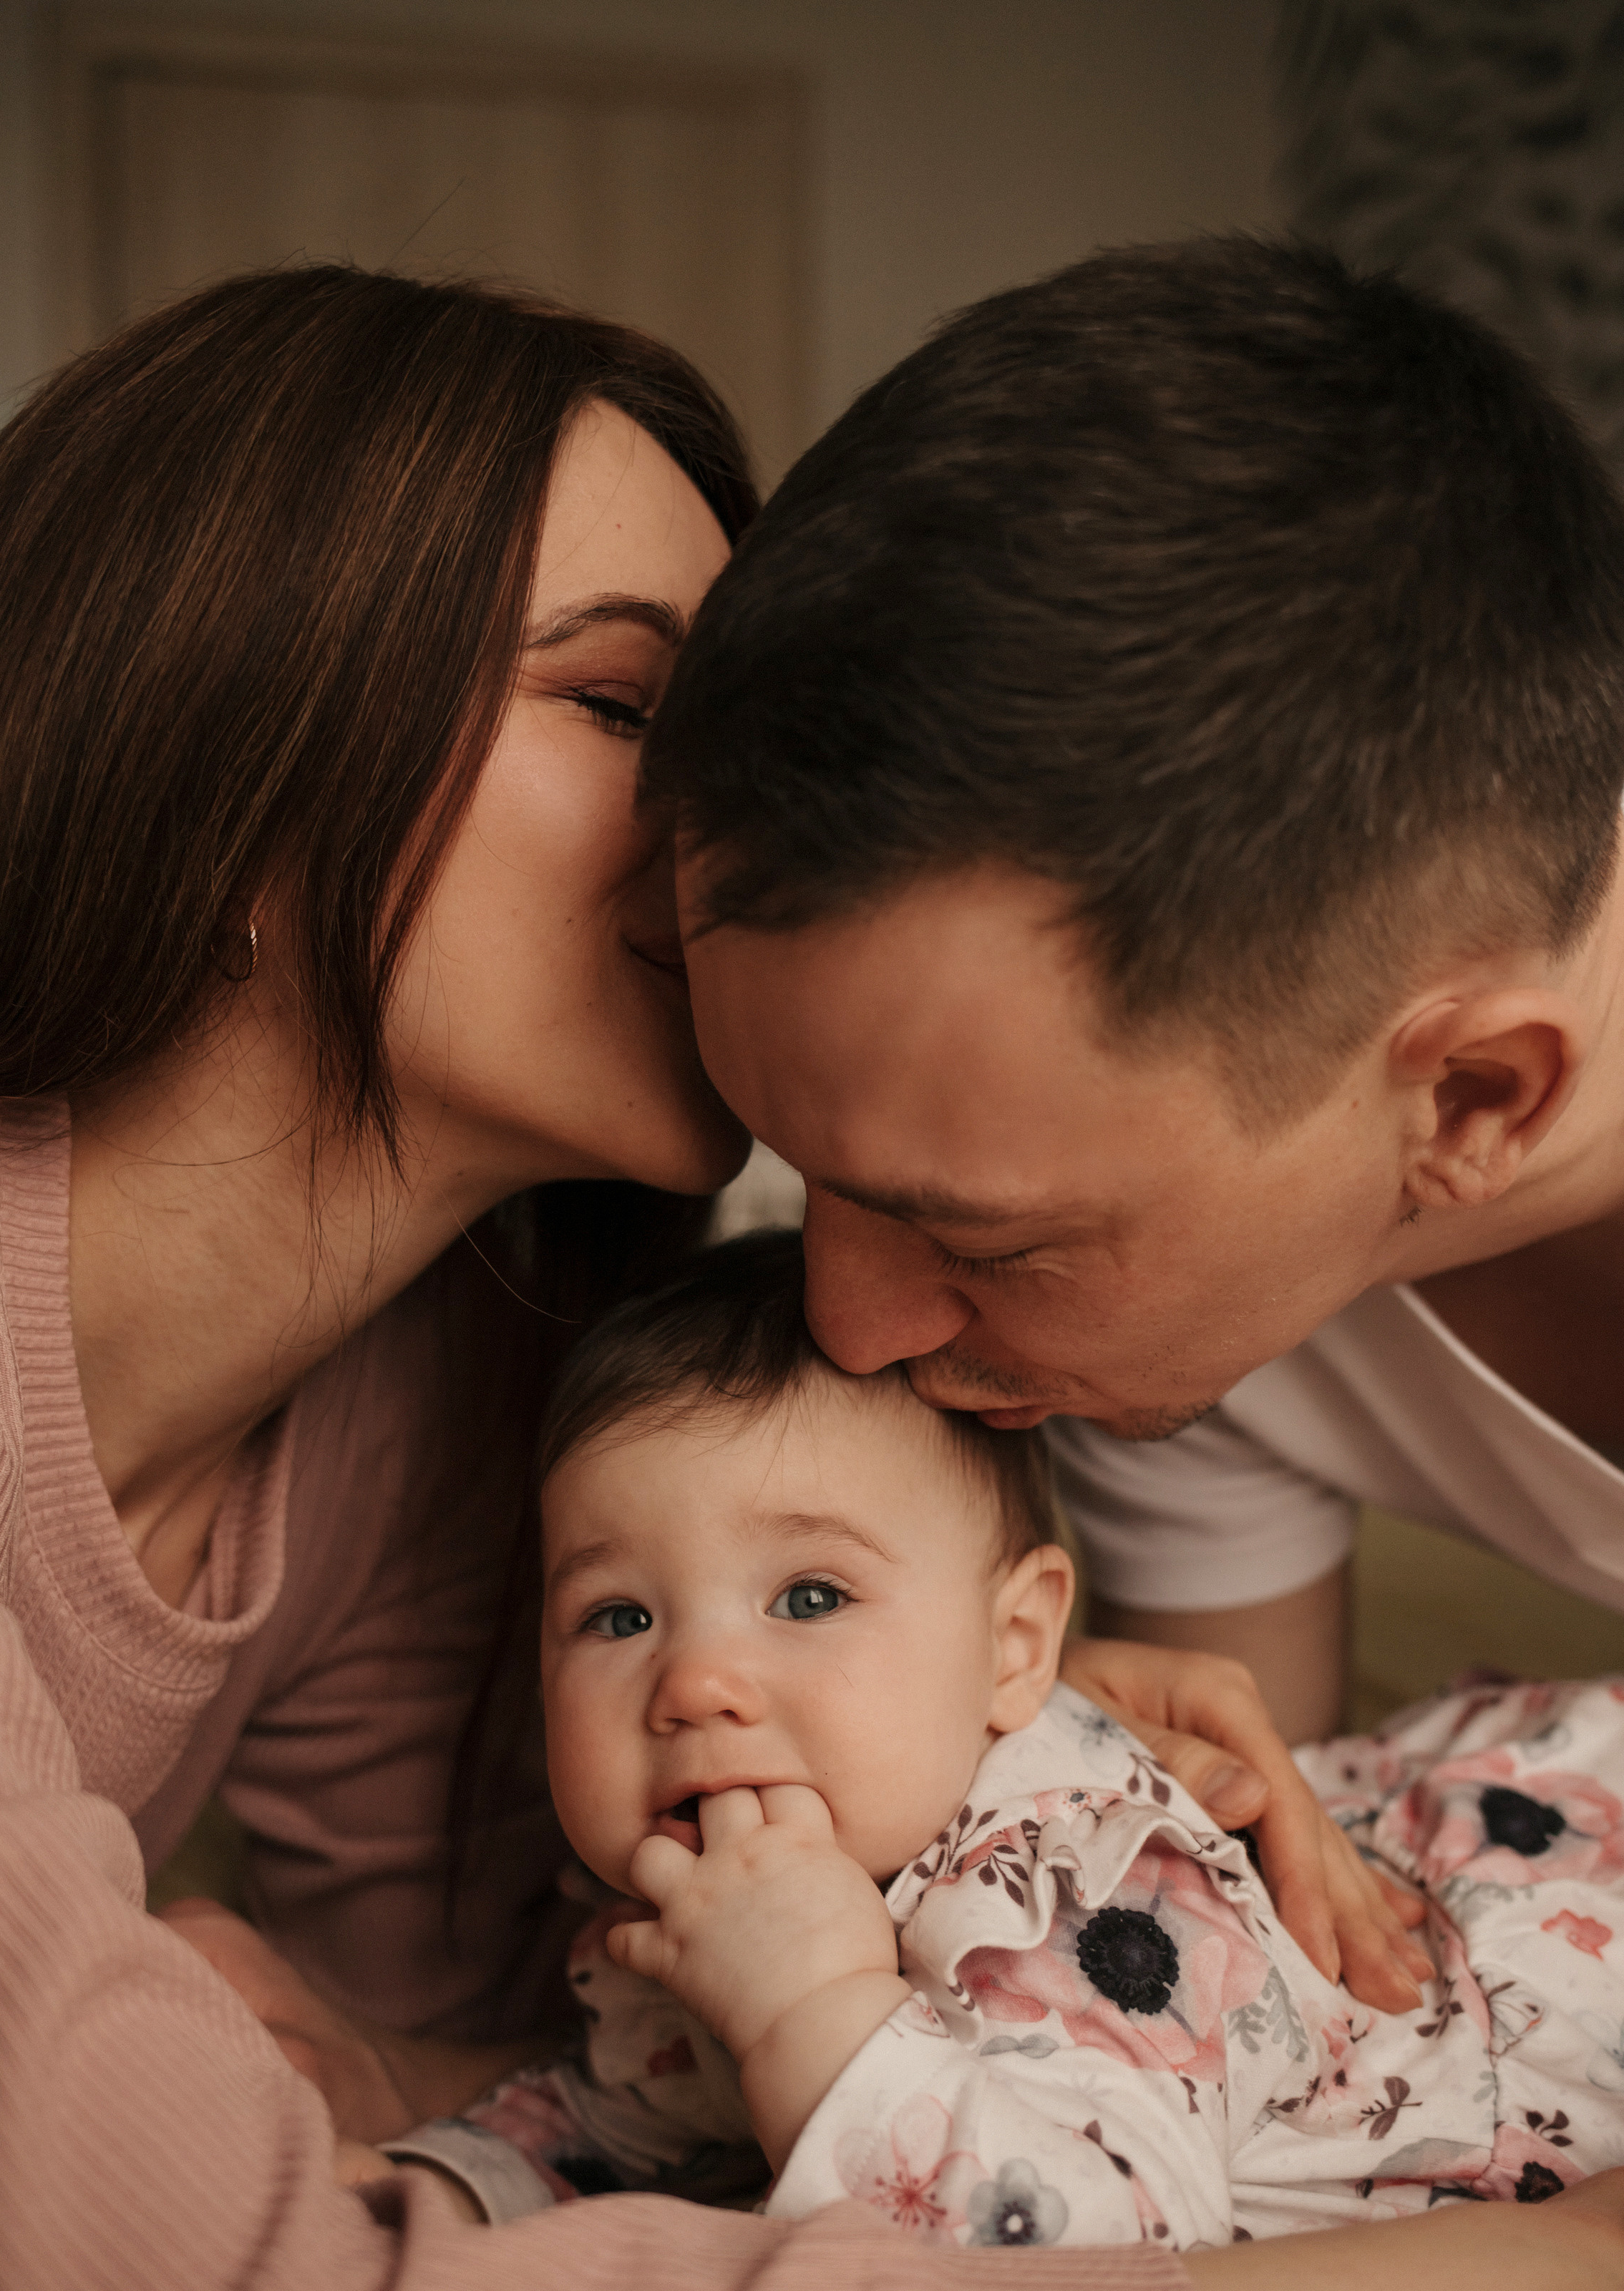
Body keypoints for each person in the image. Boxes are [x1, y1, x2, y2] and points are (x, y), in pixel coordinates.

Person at [0, 254, 1620, 2291]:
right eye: (629, 704)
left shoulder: (445, 1412)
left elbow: (614, 2071)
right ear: (214, 730)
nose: (734, 833)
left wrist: (952, 1756)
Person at [646, 234, 1624, 1762]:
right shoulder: (1194, 1327)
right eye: (809, 1177)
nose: (848, 1327)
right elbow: (1247, 1879)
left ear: (1477, 1096)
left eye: (990, 1243)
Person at [394, 1231, 1620, 2253]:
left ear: (1018, 1645)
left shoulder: (1078, 1909)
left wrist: (812, 2012)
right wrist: (446, 2195)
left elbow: (1092, 2267)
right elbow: (632, 2114)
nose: (697, 1683)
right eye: (618, 1616)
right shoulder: (724, 1903)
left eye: (810, 1597)